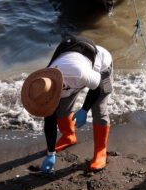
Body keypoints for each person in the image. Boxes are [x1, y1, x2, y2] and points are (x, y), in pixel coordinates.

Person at [21, 35, 113, 174]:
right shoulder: (45, 83)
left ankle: (101, 152)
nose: (50, 102)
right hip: (72, 72)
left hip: (100, 68)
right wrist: (50, 153)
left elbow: (97, 87)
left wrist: (84, 109)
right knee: (60, 110)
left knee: (99, 110)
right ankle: (69, 137)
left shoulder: (78, 74)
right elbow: (49, 119)